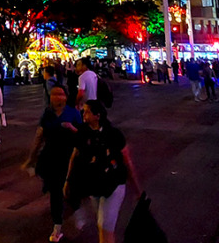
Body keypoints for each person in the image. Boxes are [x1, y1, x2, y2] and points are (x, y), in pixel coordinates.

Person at [64, 100, 140, 243]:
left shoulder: (113, 134)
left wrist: (136, 189)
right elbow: (75, 155)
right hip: (94, 184)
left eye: (86, 111)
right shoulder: (83, 132)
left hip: (113, 184)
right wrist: (68, 180)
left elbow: (127, 161)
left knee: (104, 225)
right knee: (102, 224)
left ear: (97, 115)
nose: (83, 113)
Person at [23, 85, 82, 242]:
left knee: (69, 190)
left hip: (68, 158)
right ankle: (57, 226)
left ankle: (74, 208)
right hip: (50, 157)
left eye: (61, 94)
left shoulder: (73, 113)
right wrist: (31, 157)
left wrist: (71, 128)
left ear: (66, 96)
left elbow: (83, 136)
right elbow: (39, 135)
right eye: (54, 94)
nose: (57, 97)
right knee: (56, 192)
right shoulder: (48, 113)